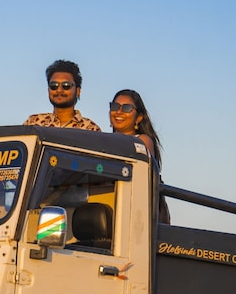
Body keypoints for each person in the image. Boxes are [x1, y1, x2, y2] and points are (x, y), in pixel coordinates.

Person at [109, 88, 170, 223]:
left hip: (134, 210)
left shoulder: (142, 141)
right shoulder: (104, 141)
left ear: (139, 117)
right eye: (115, 106)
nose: (119, 112)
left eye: (126, 108)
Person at [24, 59, 101, 131]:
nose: (59, 90)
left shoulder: (90, 129)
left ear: (78, 91)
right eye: (54, 85)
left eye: (66, 85)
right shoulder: (33, 123)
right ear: (48, 90)